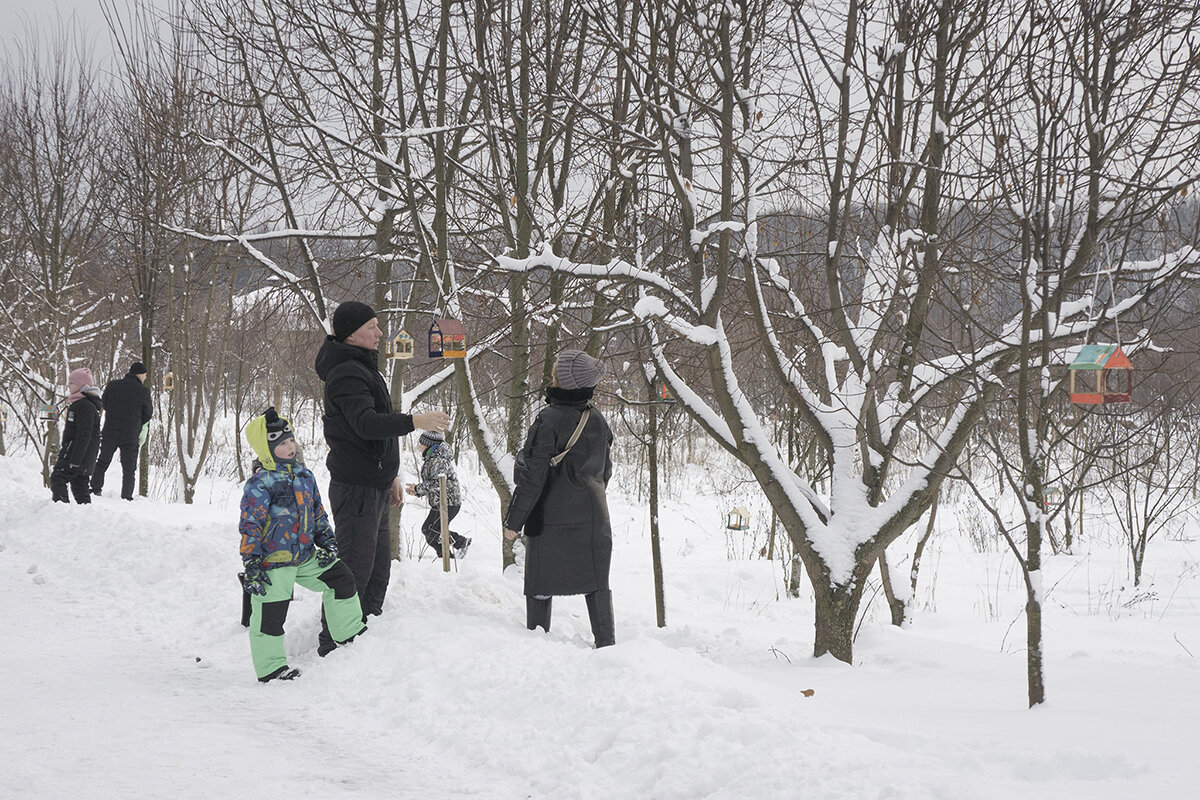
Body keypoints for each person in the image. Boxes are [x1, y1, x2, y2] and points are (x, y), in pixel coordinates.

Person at [313, 301, 451, 656]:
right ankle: (334, 643)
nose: (379, 333)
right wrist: (415, 421)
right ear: (351, 333)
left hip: (374, 484)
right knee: (353, 571)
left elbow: (373, 433)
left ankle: (364, 634)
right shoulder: (345, 372)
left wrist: (391, 475)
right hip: (356, 487)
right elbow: (367, 424)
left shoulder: (362, 367)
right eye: (372, 326)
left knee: (377, 571)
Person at [239, 407, 366, 682]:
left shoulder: (304, 476)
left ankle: (350, 634)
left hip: (306, 556)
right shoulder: (261, 483)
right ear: (267, 448)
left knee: (341, 578)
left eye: (291, 440)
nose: (289, 446)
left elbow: (317, 512)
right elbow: (250, 524)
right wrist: (251, 562)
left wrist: (328, 541)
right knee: (271, 614)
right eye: (282, 443)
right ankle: (271, 668)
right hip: (274, 560)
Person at [503, 349, 616, 648]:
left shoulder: (548, 419)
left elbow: (533, 476)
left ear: (564, 380)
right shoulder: (598, 419)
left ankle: (537, 646)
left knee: (541, 583)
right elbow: (605, 473)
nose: (552, 372)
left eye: (557, 369)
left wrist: (514, 520)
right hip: (594, 519)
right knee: (597, 585)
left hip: (550, 520)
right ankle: (607, 647)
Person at [91, 361, 153, 501]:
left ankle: (95, 487)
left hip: (110, 430)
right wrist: (137, 422)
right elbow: (148, 413)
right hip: (130, 434)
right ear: (139, 374)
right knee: (129, 468)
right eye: (144, 375)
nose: (145, 378)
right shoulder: (143, 391)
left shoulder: (113, 385)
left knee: (102, 461)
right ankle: (126, 497)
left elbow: (104, 403)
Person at [406, 430, 471, 559]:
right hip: (440, 502)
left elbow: (438, 483)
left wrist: (418, 488)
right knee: (429, 530)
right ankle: (446, 557)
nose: (419, 447)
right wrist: (417, 491)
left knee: (431, 530)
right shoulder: (433, 459)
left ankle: (461, 543)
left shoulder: (438, 460)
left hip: (449, 502)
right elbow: (434, 484)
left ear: (429, 445)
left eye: (421, 444)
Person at [50, 368, 103, 504]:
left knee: (58, 477)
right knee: (79, 484)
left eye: (71, 383)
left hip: (76, 454)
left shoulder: (84, 406)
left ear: (81, 385)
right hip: (81, 455)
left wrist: (75, 460)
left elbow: (84, 434)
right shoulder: (81, 404)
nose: (69, 386)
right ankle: (85, 513)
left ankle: (61, 509)